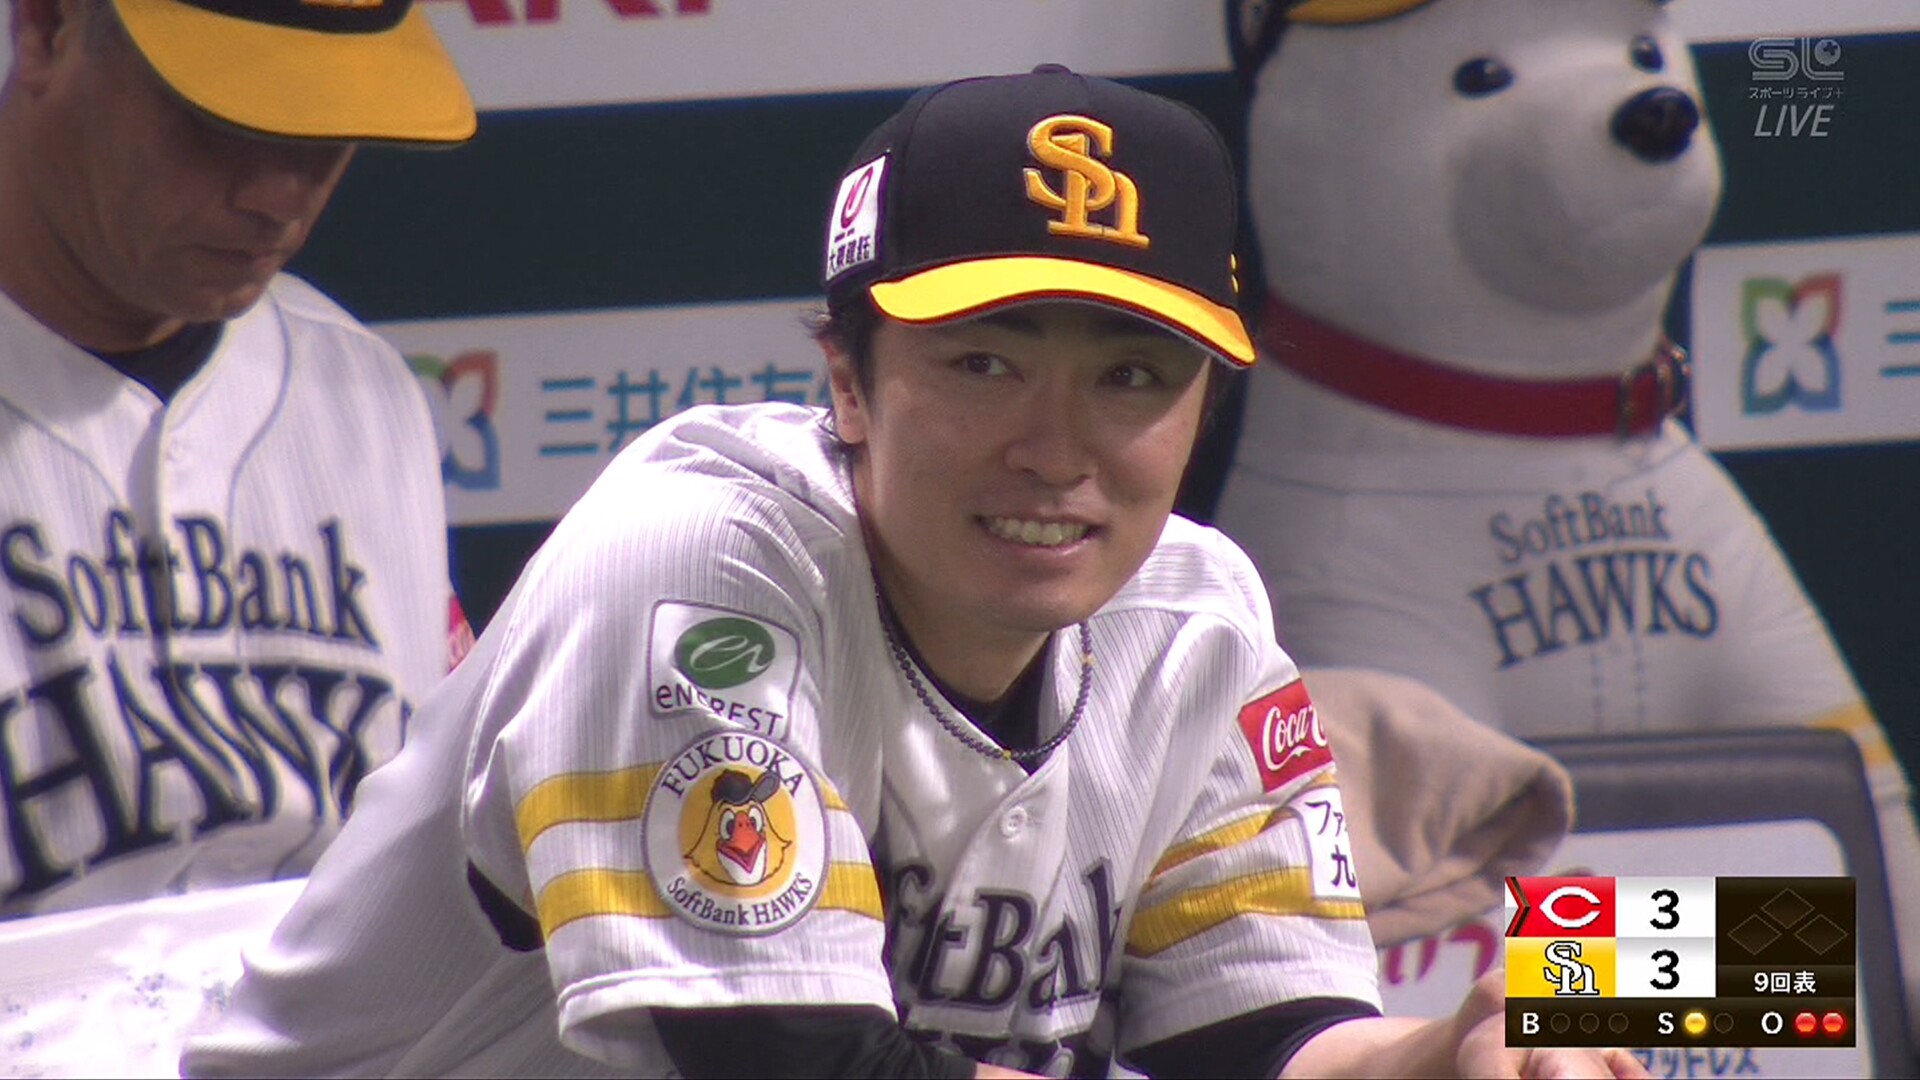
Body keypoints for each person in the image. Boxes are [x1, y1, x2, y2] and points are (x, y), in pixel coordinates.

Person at [184, 66, 1641, 1079]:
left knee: (1685, 978)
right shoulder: (701, 565)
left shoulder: (1192, 622)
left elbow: (1267, 1041)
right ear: (850, 380)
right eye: (984, 364)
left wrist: (1451, 1052)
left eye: (1133, 376)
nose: (1057, 453)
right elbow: (795, 1068)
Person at [0, 0, 476, 916]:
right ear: (48, 28)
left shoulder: (363, 395)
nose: (279, 198)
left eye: (325, 135)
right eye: (220, 125)